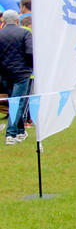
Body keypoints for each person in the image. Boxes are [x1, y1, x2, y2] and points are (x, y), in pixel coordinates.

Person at [0, 10, 33, 145]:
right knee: (17, 102)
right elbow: (30, 51)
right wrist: (31, 67)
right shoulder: (25, 33)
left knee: (14, 101)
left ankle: (20, 131)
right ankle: (10, 134)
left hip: (5, 72)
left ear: (3, 21)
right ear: (17, 21)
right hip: (22, 72)